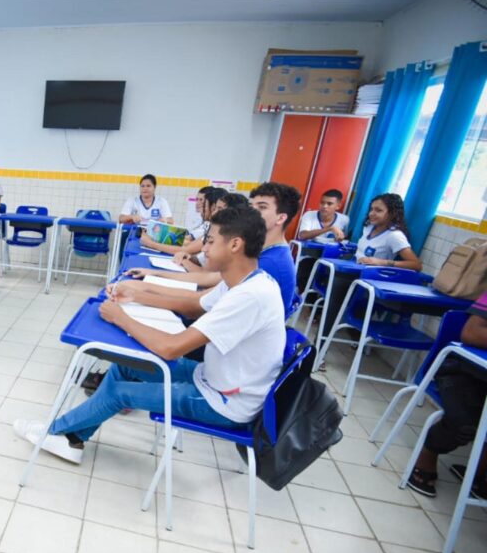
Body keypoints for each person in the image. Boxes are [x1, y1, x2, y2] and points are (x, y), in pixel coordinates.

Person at [14, 205, 285, 463]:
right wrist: (136, 294)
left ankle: (54, 431)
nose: (203, 248)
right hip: (211, 377)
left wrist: (121, 318)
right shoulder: (243, 280)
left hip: (225, 402)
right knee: (125, 366)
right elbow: (193, 305)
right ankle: (72, 437)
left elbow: (171, 348)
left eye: (210, 241)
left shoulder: (249, 296)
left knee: (120, 392)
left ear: (235, 245)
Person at [125, 182, 300, 314]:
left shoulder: (270, 263)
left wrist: (141, 291)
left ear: (281, 218)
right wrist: (152, 277)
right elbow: (207, 287)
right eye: (252, 206)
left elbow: (200, 299)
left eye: (261, 207)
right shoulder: (262, 252)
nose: (253, 212)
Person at [406, 293, 487, 498]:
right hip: (465, 371)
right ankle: (428, 453)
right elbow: (471, 332)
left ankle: (479, 474)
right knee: (464, 424)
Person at [317, 193, 422, 340]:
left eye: (378, 210)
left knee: (337, 288)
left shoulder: (395, 236)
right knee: (331, 276)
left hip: (369, 280)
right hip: (353, 271)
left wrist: (382, 262)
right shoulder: (369, 227)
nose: (372, 213)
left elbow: (416, 265)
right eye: (371, 209)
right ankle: (326, 335)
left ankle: (323, 341)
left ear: (392, 213)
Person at [145, 186, 228, 260]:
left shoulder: (215, 229)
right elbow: (188, 244)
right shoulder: (208, 224)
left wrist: (151, 243)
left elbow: (186, 248)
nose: (199, 205)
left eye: (204, 204)